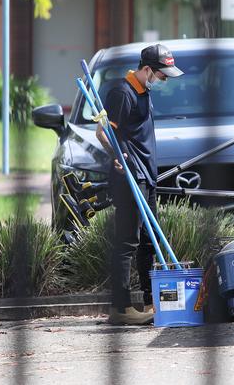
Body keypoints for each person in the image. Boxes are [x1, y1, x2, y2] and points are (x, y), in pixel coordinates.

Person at [96, 43, 184, 325]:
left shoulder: (143, 91)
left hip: (147, 176)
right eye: (162, 75)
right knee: (127, 241)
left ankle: (150, 301)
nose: (165, 80)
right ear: (147, 70)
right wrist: (116, 157)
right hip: (129, 177)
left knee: (149, 240)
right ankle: (120, 308)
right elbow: (103, 132)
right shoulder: (122, 93)